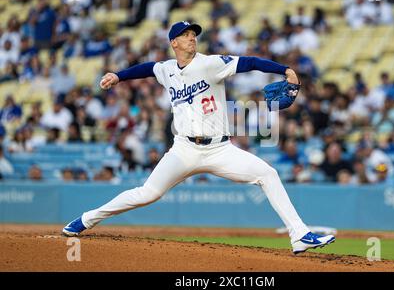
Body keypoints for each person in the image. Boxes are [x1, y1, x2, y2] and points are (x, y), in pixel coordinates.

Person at [62, 21, 335, 254]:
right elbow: (147, 68)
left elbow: (249, 61)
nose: (192, 37)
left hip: (220, 149)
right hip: (184, 149)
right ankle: (86, 219)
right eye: (185, 35)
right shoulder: (167, 69)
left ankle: (299, 235)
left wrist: (284, 69)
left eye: (194, 34)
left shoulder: (212, 64)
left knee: (268, 174)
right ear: (174, 43)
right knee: (147, 193)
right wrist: (118, 76)